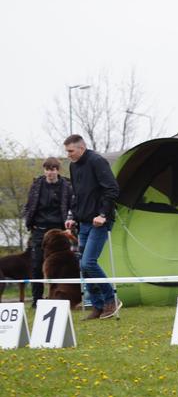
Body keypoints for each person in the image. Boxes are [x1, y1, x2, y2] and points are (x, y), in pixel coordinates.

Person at [63, 134, 121, 320]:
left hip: (100, 221)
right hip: (83, 222)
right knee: (83, 266)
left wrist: (103, 215)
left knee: (88, 262)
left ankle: (111, 300)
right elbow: (76, 195)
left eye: (70, 151)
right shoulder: (73, 166)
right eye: (67, 151)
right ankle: (97, 306)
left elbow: (111, 189)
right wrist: (72, 216)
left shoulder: (97, 161)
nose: (68, 155)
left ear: (81, 148)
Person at [22, 157, 73, 307]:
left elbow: (71, 207)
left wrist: (69, 225)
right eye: (47, 169)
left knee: (60, 266)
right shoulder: (37, 185)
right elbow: (29, 205)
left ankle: (60, 297)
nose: (49, 172)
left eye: (52, 169)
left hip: (59, 232)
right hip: (39, 231)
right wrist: (27, 219)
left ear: (57, 170)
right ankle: (37, 300)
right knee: (37, 265)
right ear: (44, 170)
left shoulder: (66, 186)